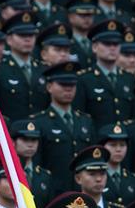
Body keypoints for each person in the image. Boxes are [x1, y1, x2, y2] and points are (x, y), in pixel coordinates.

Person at [33, 61, 94, 193]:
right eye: (63, 84)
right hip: (52, 191)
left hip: (81, 191)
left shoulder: (85, 121)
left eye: (72, 85)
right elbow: (37, 163)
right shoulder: (39, 122)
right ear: (49, 87)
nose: (68, 89)